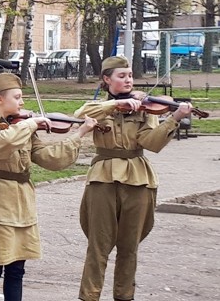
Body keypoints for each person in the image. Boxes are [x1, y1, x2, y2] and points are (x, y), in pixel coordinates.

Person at [74, 56, 192, 301]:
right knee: (98, 246)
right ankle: (89, 296)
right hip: (103, 178)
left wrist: (174, 118)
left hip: (138, 178)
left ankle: (124, 296)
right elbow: (81, 113)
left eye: (129, 75)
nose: (128, 80)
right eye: (121, 76)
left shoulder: (146, 107)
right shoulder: (99, 107)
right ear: (107, 80)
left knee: (129, 247)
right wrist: (116, 105)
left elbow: (152, 143)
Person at [0, 73, 97, 301]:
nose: (22, 103)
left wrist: (79, 134)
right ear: (0, 99)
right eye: (18, 97)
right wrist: (31, 124)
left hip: (23, 204)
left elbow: (49, 158)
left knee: (17, 270)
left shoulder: (22, 127)